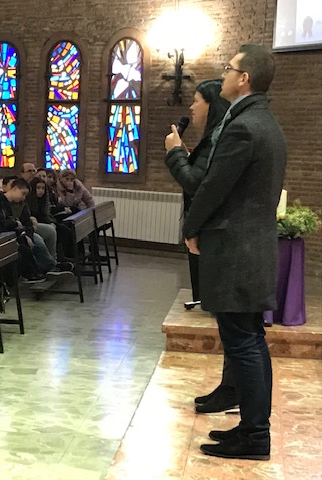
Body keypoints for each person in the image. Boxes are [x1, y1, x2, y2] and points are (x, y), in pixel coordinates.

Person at [180, 45, 287, 461]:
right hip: (250, 246)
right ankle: (250, 428)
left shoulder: (244, 127)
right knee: (249, 340)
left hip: (237, 249)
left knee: (244, 343)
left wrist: (191, 227)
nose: (223, 73)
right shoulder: (264, 122)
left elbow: (213, 187)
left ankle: (256, 435)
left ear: (244, 79)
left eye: (229, 68)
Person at [164, 80, 236, 416]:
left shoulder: (224, 136)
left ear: (211, 104)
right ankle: (229, 389)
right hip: (214, 235)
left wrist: (175, 153)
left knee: (237, 332)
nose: (191, 107)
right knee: (231, 330)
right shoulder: (214, 138)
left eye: (196, 101)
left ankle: (237, 398)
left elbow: (196, 183)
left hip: (223, 239)